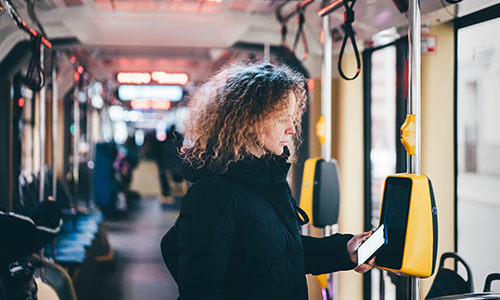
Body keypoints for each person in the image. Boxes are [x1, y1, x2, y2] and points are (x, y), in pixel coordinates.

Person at [161, 62, 374, 300]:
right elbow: (201, 291)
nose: (292, 129)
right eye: (283, 118)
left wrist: (344, 251)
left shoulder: (269, 179)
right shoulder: (212, 195)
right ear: (250, 121)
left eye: (292, 118)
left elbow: (281, 254)